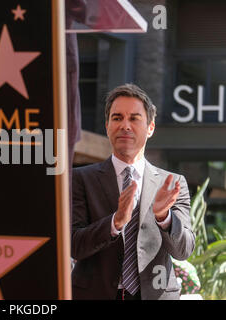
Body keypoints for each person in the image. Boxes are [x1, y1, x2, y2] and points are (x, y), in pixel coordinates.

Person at [71, 83, 195, 300]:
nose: (125, 125)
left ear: (150, 127)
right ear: (107, 125)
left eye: (134, 118)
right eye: (117, 118)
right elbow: (73, 245)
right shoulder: (80, 179)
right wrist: (115, 222)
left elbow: (183, 250)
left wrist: (164, 217)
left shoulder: (173, 183)